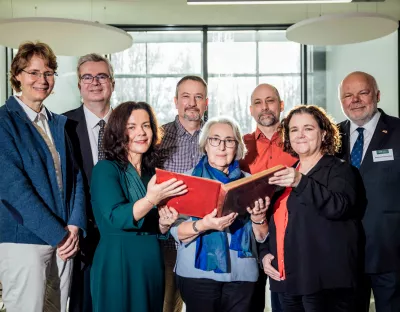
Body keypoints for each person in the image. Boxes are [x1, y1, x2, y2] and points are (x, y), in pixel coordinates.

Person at [0, 41, 86, 312]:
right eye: (33, 72)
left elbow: (76, 178)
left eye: (48, 73)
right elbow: (14, 189)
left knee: (57, 308)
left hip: (64, 238)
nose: (42, 80)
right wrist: (56, 234)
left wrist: (74, 225)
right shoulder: (4, 122)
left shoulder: (57, 123)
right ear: (17, 76)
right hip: (23, 239)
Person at [261, 105, 364, 312]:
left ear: (323, 133)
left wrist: (301, 182)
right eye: (294, 129)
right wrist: (265, 253)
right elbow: (278, 224)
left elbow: (339, 206)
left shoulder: (340, 170)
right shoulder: (284, 176)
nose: (300, 135)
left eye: (308, 128)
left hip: (325, 285)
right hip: (288, 281)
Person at [90, 101, 187, 312]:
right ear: (118, 132)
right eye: (132, 127)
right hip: (118, 261)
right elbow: (116, 217)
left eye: (146, 125)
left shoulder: (151, 174)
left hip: (151, 261)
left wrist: (163, 223)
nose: (141, 132)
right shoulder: (105, 170)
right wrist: (152, 199)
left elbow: (152, 225)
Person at [171, 116, 269, 312]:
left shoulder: (254, 183)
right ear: (205, 144)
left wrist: (259, 218)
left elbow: (262, 236)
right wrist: (205, 225)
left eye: (229, 141)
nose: (222, 147)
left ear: (237, 147)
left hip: (242, 276)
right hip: (197, 275)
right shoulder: (184, 181)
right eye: (215, 139)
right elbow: (176, 232)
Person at [337, 71, 400, 312]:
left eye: (362, 93)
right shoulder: (330, 136)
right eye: (348, 95)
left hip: (390, 251)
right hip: (344, 254)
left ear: (377, 95)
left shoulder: (398, 131)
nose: (355, 100)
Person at [64, 53, 115, 312]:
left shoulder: (129, 124)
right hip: (81, 234)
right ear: (79, 85)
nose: (95, 82)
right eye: (87, 76)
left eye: (102, 76)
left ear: (112, 83)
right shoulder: (63, 126)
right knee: (84, 303)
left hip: (121, 232)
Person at [240, 83, 297, 312]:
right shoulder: (240, 145)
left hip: (290, 233)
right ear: (250, 110)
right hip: (251, 233)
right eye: (258, 103)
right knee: (249, 302)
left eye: (270, 101)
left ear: (281, 105)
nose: (265, 107)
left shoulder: (298, 140)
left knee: (286, 301)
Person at [157, 75, 208, 312]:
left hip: (205, 237)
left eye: (198, 97)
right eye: (186, 97)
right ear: (176, 101)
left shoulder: (215, 137)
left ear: (206, 102)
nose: (192, 103)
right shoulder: (157, 137)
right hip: (168, 239)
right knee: (168, 305)